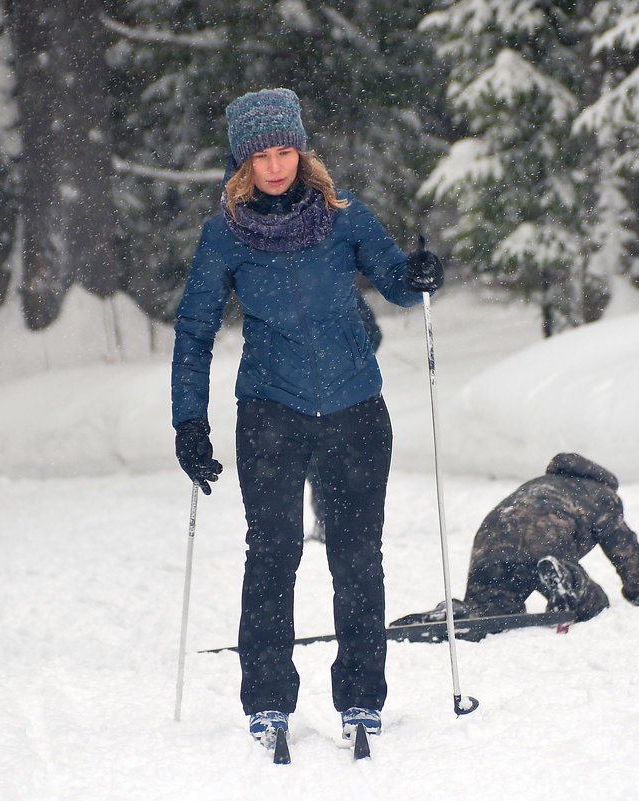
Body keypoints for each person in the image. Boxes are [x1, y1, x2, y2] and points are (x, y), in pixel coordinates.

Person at [170, 88, 445, 749]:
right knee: (271, 555)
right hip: (270, 410)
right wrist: (189, 420)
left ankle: (361, 697)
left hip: (354, 407)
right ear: (243, 163)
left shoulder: (342, 217)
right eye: (260, 155)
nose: (274, 166)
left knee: (357, 558)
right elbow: (193, 328)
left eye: (284, 150)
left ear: (301, 150)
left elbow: (398, 283)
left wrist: (420, 272)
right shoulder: (223, 236)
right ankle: (267, 699)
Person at [395, 452, 639, 628]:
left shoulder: (538, 484)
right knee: (594, 603)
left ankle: (454, 613)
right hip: (545, 544)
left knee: (491, 613)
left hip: (492, 544)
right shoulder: (601, 494)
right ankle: (565, 578)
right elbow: (624, 547)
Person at [305, 291, 382, 543]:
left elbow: (373, 334)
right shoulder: (340, 290)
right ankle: (330, 522)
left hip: (346, 397)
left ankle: (338, 525)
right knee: (321, 464)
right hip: (317, 395)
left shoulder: (345, 293)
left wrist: (351, 359)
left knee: (328, 463)